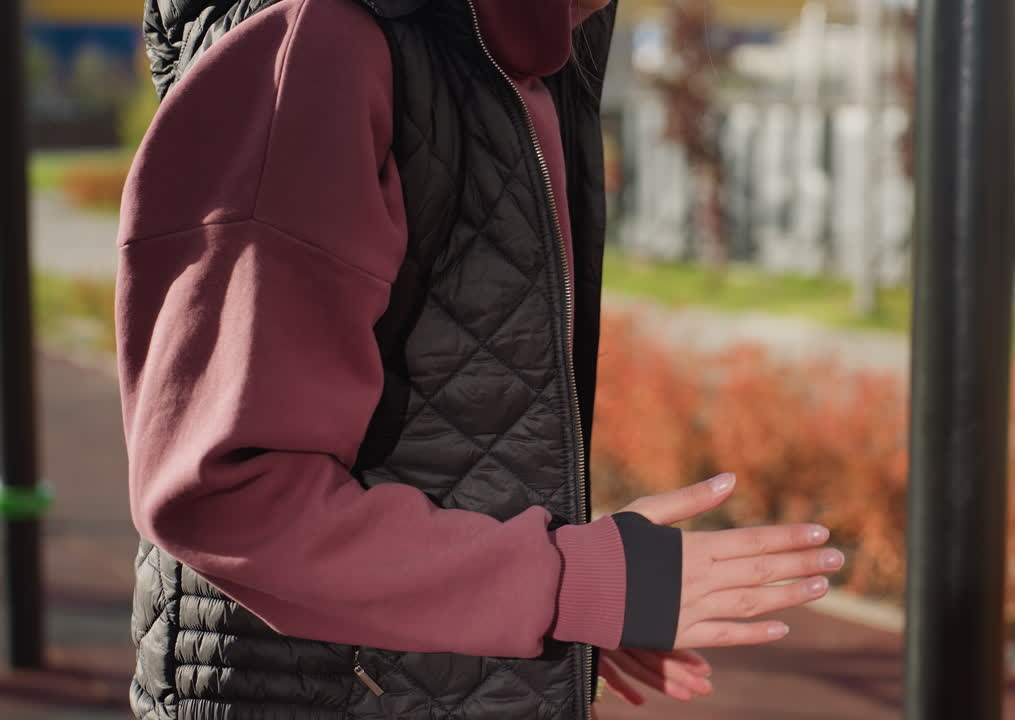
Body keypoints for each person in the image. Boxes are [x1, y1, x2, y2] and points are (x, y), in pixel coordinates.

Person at [116, 1, 845, 718]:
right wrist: (571, 582)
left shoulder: (520, 52)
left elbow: (458, 419)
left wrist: (578, 601)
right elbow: (227, 495)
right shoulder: (324, 41)